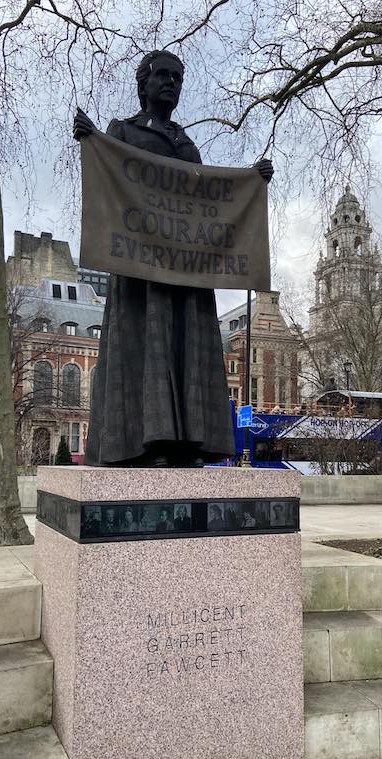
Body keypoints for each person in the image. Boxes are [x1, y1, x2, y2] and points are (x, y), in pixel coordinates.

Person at [75, 50, 273, 468]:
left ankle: (186, 443)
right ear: (143, 84)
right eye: (162, 75)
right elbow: (111, 184)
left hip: (187, 273)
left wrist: (252, 181)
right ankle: (143, 444)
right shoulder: (123, 131)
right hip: (140, 272)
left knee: (186, 348)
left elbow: (208, 200)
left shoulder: (187, 144)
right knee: (144, 347)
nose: (171, 83)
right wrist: (93, 142)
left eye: (178, 78)